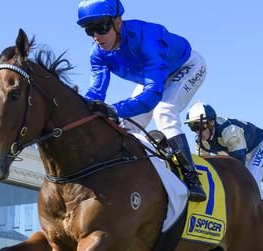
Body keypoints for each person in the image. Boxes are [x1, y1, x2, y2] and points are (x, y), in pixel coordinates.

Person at [77, 0, 207, 201]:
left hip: (185, 67)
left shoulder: (148, 38)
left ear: (118, 22)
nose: (96, 36)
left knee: (164, 112)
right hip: (152, 77)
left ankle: (192, 179)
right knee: (126, 126)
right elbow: (96, 92)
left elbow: (153, 96)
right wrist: (83, 108)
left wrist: (113, 109)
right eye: (89, 30)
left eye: (101, 27)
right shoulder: (97, 54)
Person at [185, 102, 263, 206]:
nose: (197, 131)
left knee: (250, 180)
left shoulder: (229, 131)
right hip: (237, 150)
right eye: (192, 127)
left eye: (200, 126)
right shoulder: (200, 142)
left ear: (212, 122)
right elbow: (202, 168)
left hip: (259, 147)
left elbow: (238, 166)